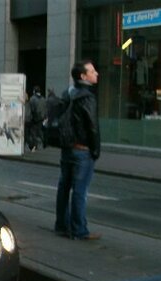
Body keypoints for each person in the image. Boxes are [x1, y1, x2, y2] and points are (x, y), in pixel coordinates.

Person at [54, 60, 101, 241]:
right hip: (82, 150)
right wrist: (96, 150)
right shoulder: (87, 97)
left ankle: (61, 225)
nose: (96, 73)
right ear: (83, 76)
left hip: (67, 148)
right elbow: (93, 127)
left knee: (64, 187)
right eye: (92, 71)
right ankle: (79, 230)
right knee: (80, 191)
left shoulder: (68, 94)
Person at [27, 85, 46, 151]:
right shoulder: (43, 98)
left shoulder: (32, 98)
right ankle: (45, 143)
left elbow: (30, 110)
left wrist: (29, 119)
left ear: (34, 91)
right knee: (40, 131)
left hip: (35, 118)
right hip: (41, 118)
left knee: (33, 132)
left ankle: (35, 145)